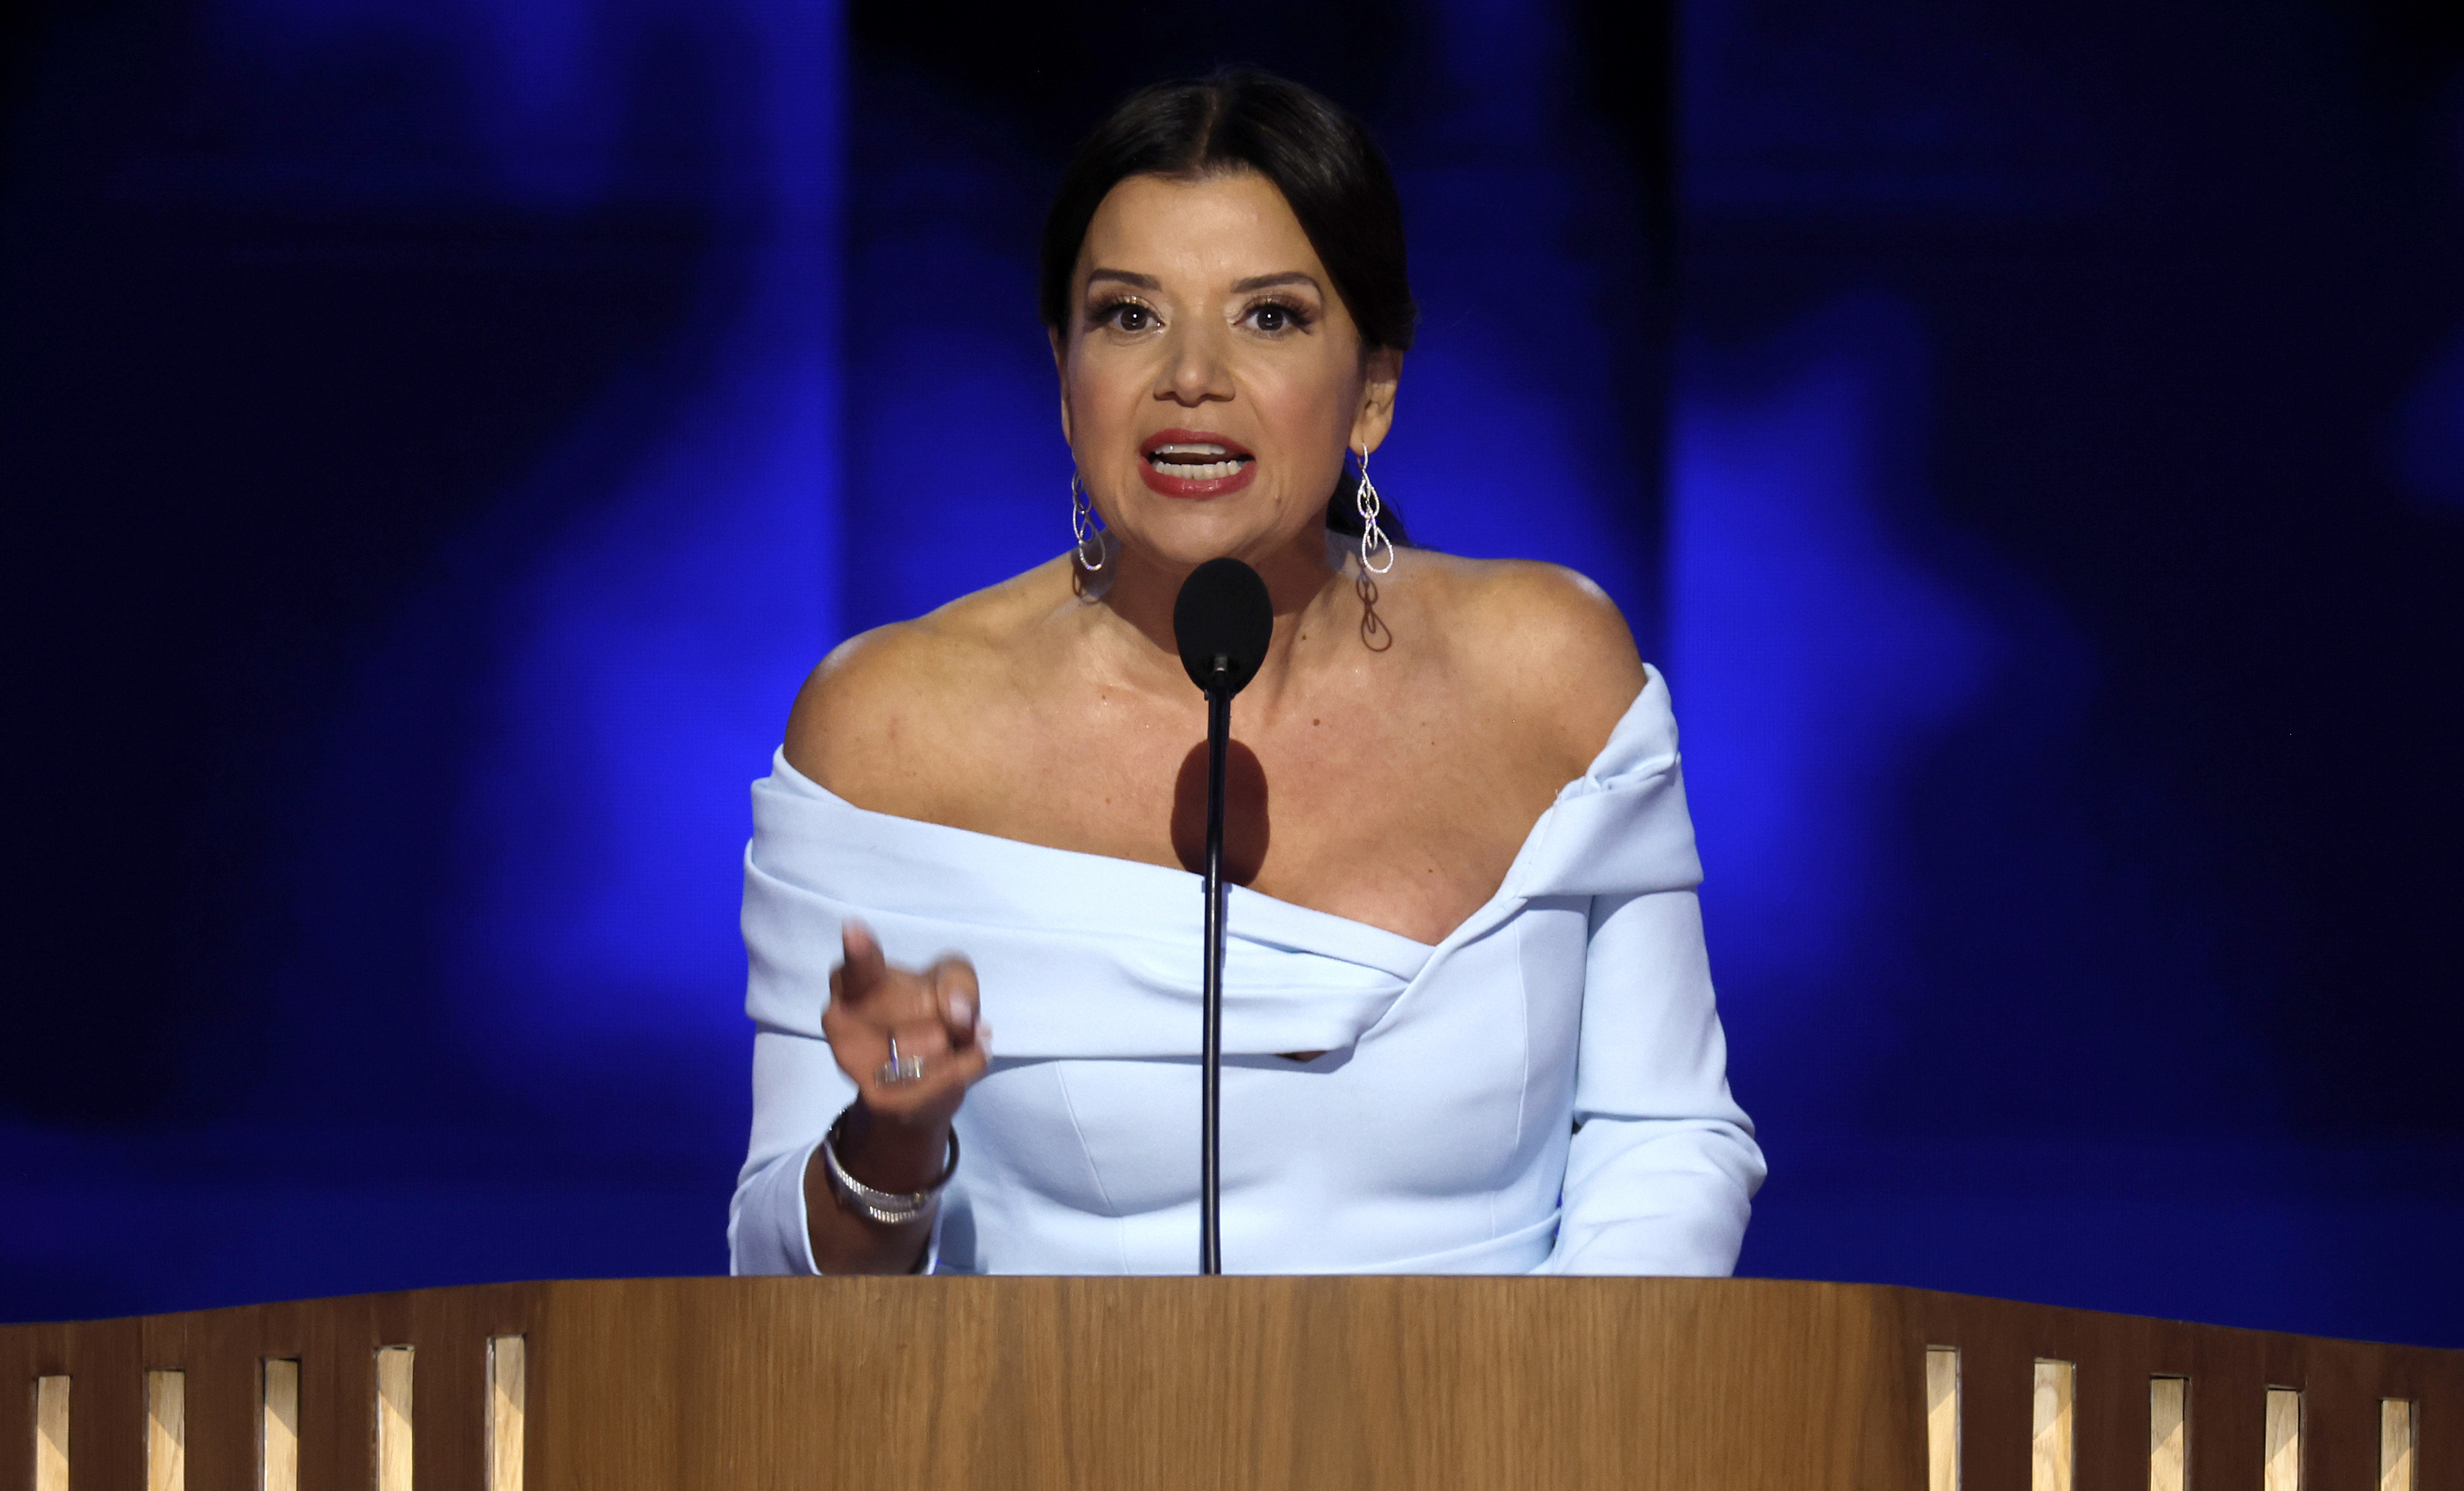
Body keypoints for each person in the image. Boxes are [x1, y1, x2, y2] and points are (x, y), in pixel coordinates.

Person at [725, 70, 1761, 1276]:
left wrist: (1550, 1437)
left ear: (1373, 385)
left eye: (1269, 316)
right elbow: (773, 1277)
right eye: (1129, 316)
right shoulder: (890, 733)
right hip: (1046, 1456)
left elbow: (1665, 1138)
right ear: (1064, 376)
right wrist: (888, 1149)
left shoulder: (1552, 672)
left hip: (1512, 1444)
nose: (1192, 376)